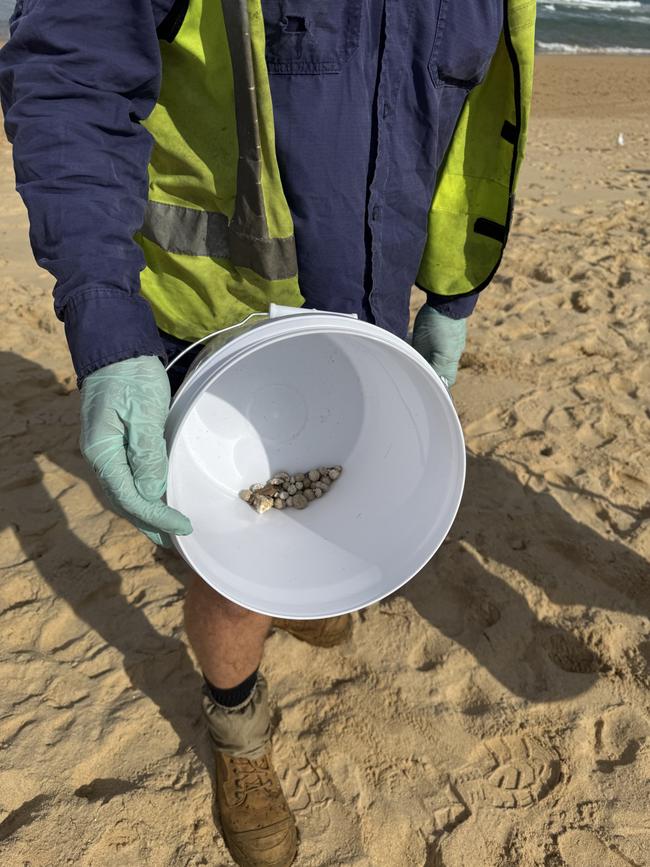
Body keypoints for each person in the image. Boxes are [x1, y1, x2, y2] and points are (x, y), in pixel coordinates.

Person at [0, 2, 536, 864]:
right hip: (212, 318)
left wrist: (451, 293)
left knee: (333, 517)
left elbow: (468, 125)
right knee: (236, 561)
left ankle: (302, 603)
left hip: (367, 322)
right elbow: (72, 64)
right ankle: (237, 724)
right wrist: (106, 319)